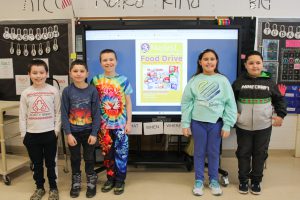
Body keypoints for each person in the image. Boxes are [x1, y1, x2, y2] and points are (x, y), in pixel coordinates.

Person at [181, 49, 237, 196]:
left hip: (216, 123)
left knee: (213, 153)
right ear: (200, 62)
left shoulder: (223, 80)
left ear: (216, 61)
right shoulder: (194, 80)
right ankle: (198, 180)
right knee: (199, 152)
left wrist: (227, 124)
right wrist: (185, 123)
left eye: (212, 59)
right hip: (197, 122)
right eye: (205, 59)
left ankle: (213, 180)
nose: (209, 61)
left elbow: (230, 104)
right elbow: (186, 103)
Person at [232, 50, 287, 195]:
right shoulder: (238, 82)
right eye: (251, 63)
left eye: (258, 63)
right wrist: (234, 114)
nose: (254, 66)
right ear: (245, 65)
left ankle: (256, 181)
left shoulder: (269, 83)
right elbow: (229, 102)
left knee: (260, 154)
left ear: (262, 64)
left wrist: (280, 116)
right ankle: (243, 180)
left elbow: (279, 100)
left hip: (264, 127)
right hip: (243, 126)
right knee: (243, 153)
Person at [90, 49, 133, 195]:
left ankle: (120, 180)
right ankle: (110, 178)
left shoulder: (123, 80)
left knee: (121, 153)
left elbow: (128, 103)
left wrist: (129, 123)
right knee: (107, 154)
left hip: (120, 125)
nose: (108, 62)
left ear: (116, 61)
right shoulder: (95, 80)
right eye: (105, 60)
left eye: (111, 59)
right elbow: (93, 102)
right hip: (103, 126)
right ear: (101, 63)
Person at [19, 59, 61, 200]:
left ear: (47, 73)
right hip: (32, 135)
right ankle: (39, 187)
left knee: (50, 163)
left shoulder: (53, 91)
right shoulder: (26, 93)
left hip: (49, 133)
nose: (38, 76)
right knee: (37, 164)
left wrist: (55, 131)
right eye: (35, 73)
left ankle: (53, 188)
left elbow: (58, 112)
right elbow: (22, 115)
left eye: (41, 72)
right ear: (29, 74)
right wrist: (24, 135)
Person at [61, 60, 100, 198]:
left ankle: (91, 180)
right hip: (73, 133)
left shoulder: (92, 90)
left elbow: (96, 114)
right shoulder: (67, 91)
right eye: (75, 71)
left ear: (87, 73)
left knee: (89, 158)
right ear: (70, 73)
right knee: (75, 158)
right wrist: (68, 134)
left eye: (82, 71)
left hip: (89, 132)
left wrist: (94, 133)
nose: (78, 73)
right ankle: (76, 181)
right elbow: (64, 114)